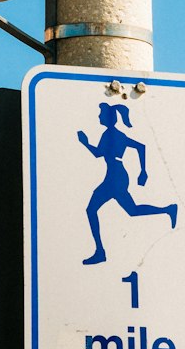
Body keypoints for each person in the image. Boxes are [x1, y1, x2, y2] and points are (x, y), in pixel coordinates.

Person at [76, 102, 177, 265]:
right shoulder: (114, 134)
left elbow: (99, 153)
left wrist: (84, 142)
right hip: (117, 174)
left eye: (101, 114)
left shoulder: (110, 135)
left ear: (108, 118)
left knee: (92, 209)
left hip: (115, 176)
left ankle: (100, 252)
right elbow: (139, 147)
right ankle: (168, 209)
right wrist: (142, 170)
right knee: (132, 210)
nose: (99, 117)